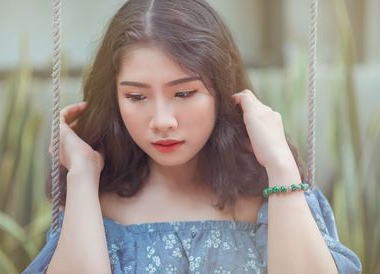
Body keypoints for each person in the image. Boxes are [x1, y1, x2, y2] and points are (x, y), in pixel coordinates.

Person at [23, 0, 362, 273]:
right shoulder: (95, 208)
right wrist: (82, 173)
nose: (162, 121)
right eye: (137, 97)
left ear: (221, 91)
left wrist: (279, 164)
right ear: (115, 99)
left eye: (184, 93)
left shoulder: (277, 196)